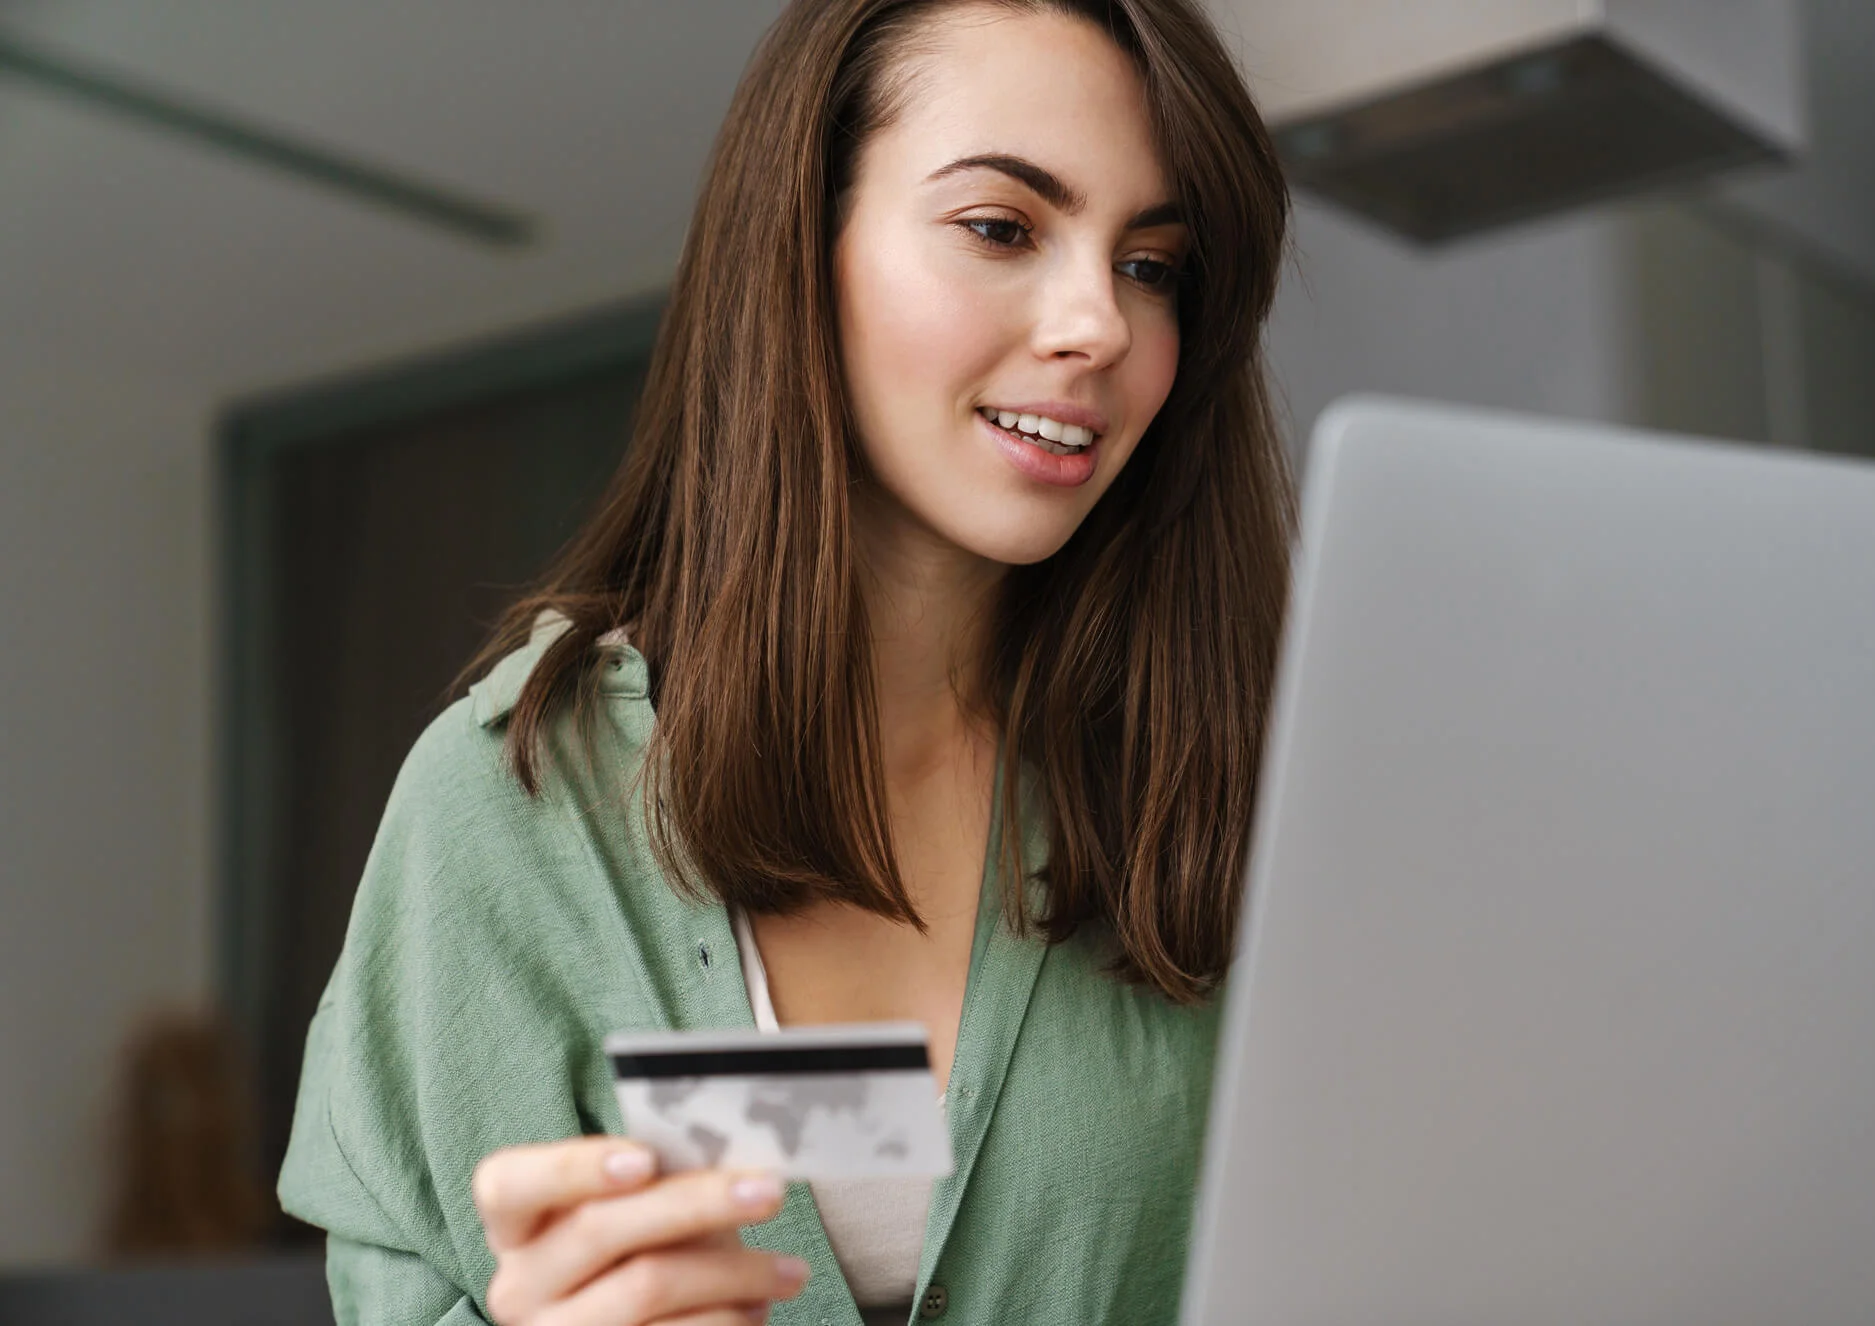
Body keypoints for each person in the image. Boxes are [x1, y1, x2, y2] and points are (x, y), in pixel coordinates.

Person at [276, 0, 1292, 1322]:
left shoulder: (1220, 790)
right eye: (1002, 228)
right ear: (800, 245)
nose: (1097, 322)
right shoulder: (512, 808)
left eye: (1154, 266)